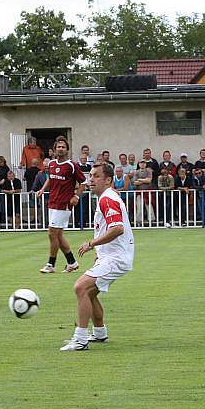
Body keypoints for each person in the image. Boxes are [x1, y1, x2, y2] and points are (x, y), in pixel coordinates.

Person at [61, 162, 134, 351]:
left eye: (96, 176)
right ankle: (100, 333)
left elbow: (117, 228)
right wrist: (100, 254)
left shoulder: (107, 199)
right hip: (112, 255)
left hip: (116, 257)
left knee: (80, 287)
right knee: (90, 292)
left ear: (108, 180)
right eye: (90, 175)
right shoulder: (107, 197)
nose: (90, 180)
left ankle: (80, 339)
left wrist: (92, 244)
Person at [36, 136, 85, 273]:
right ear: (54, 149)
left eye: (63, 147)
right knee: (58, 235)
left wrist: (76, 196)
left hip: (64, 204)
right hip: (53, 202)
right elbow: (51, 179)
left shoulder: (72, 165)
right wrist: (42, 189)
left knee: (52, 233)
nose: (61, 149)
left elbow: (84, 182)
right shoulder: (51, 164)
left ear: (67, 150)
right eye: (58, 147)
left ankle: (51, 264)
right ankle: (72, 263)